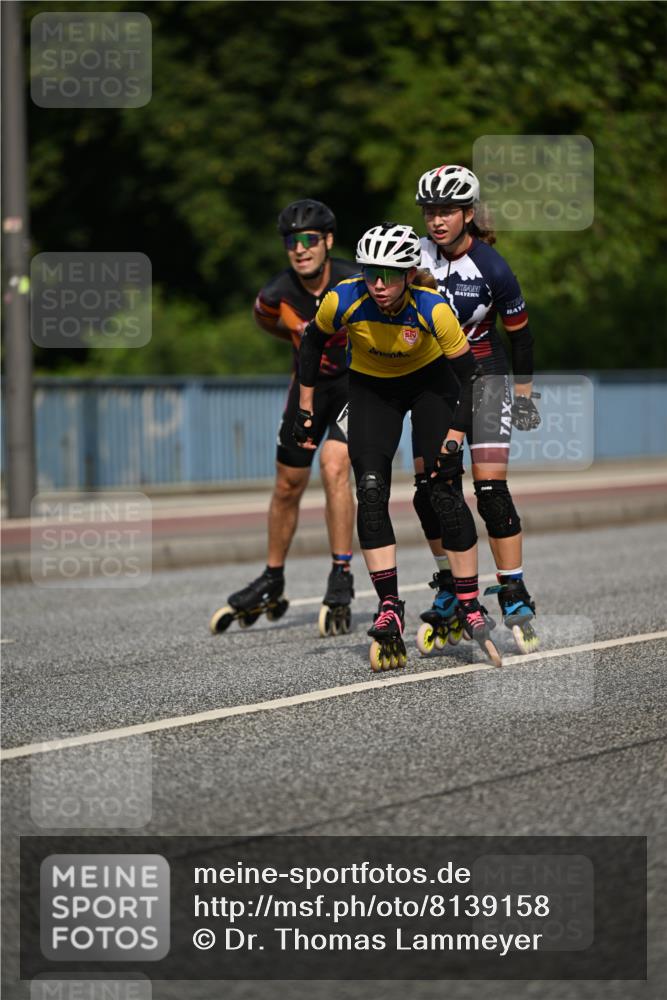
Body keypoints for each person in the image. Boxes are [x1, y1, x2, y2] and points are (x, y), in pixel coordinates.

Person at [294, 222, 502, 670]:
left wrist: (456, 435)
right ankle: (389, 607)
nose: (380, 284)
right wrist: (306, 408)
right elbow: (310, 343)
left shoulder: (433, 308)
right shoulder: (343, 299)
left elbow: (471, 377)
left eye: (390, 274)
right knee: (369, 490)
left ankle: (467, 601)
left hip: (431, 386)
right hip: (372, 389)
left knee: (442, 490)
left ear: (410, 274)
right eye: (372, 273)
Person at [209, 200, 358, 637]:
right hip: (309, 388)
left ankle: (341, 573)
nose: (301, 249)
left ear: (328, 241)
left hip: (356, 386)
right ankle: (273, 578)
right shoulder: (276, 294)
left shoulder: (355, 281)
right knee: (287, 484)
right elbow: (268, 323)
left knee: (335, 467)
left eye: (310, 239)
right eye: (292, 241)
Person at [413, 165, 541, 653]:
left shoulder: (493, 268)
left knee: (489, 490)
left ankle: (513, 588)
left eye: (447, 211)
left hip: (485, 377)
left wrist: (525, 397)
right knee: (432, 490)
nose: (437, 220)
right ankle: (451, 585)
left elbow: (521, 336)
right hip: (434, 382)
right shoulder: (415, 253)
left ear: (468, 214)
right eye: (430, 211)